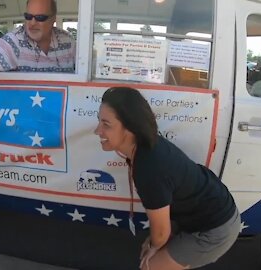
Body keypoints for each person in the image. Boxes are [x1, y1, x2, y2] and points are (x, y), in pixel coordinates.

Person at [94, 87, 240, 270]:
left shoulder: (148, 167)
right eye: (99, 121)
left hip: (214, 229)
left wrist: (156, 245)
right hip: (201, 213)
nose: (97, 130)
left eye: (106, 124)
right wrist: (156, 241)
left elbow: (162, 233)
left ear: (130, 127)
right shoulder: (146, 145)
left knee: (149, 266)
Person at [0, 0, 76, 112]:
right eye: (28, 16)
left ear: (53, 19)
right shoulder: (16, 40)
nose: (32, 23)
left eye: (40, 18)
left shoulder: (68, 41)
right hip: (27, 115)